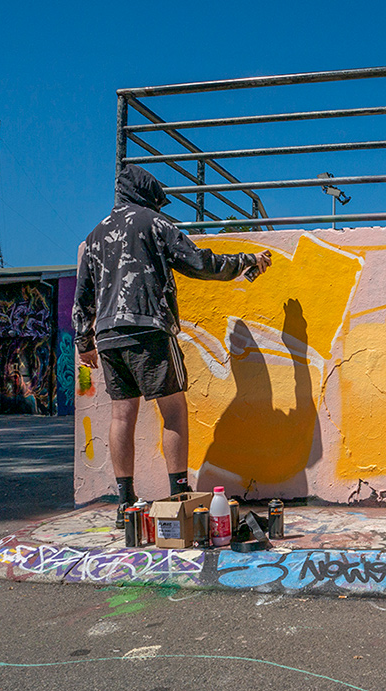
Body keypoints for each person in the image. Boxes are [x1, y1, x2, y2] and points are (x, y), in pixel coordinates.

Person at [73, 165, 271, 527]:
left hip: (107, 336)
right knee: (174, 410)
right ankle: (178, 494)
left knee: (121, 414)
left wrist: (84, 341)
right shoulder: (154, 223)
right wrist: (246, 262)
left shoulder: (94, 236)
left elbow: (82, 293)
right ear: (147, 196)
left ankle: (125, 502)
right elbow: (199, 262)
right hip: (148, 327)